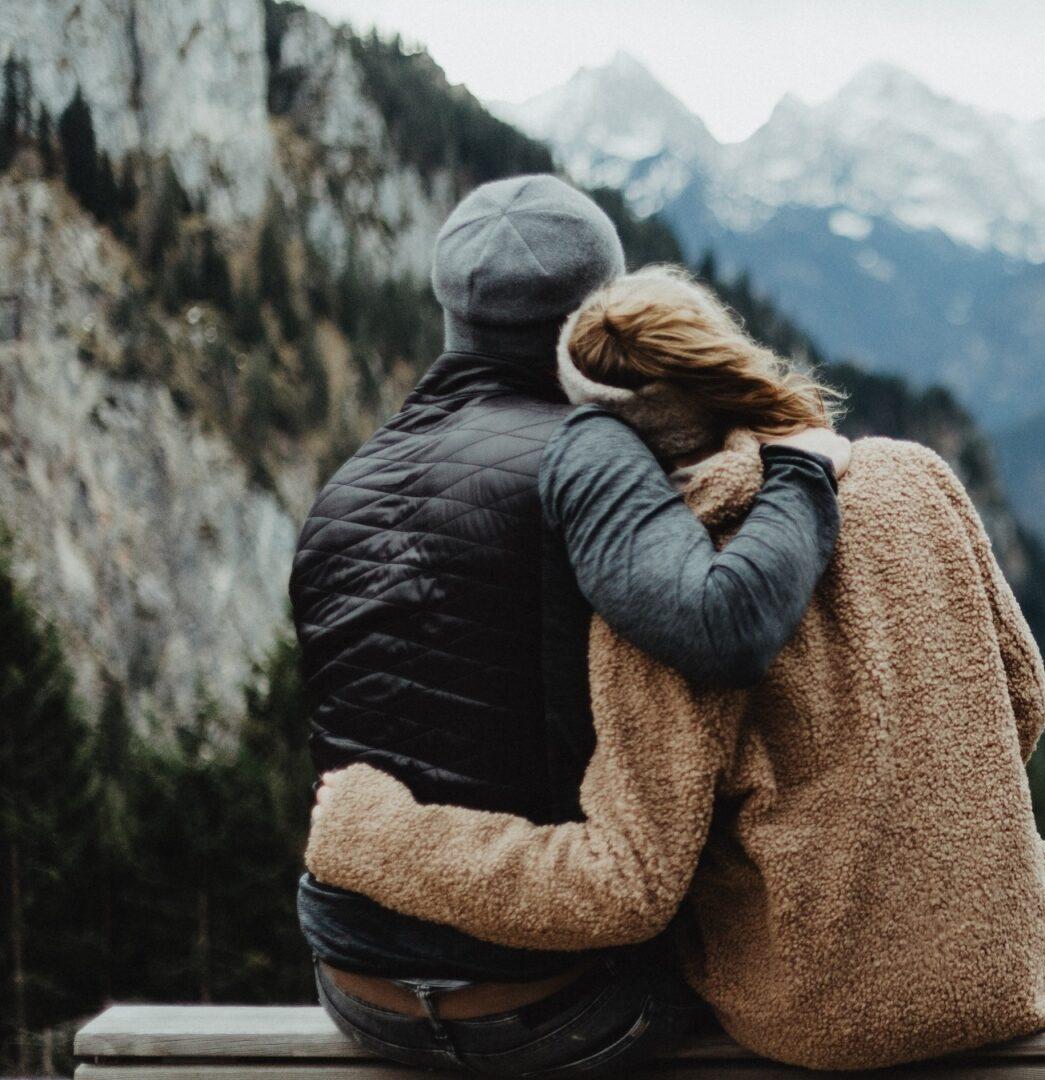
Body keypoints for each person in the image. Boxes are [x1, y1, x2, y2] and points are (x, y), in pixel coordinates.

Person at [305, 266, 1045, 1071]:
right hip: (1011, 972)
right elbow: (1020, 700)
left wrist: (382, 833)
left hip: (821, 1015)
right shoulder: (913, 476)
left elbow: (623, 887)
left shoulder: (671, 587)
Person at [288, 178, 850, 1075]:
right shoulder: (586, 453)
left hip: (355, 986)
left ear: (451, 312)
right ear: (600, 316)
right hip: (551, 999)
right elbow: (725, 629)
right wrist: (800, 475)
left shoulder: (344, 489)